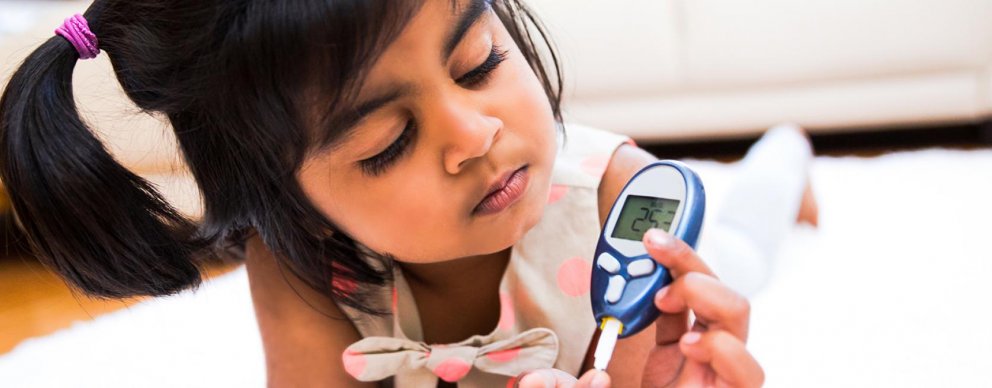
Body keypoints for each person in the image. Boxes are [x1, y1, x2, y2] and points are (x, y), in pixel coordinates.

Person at [0, 0, 813, 386]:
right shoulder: (301, 266)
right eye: (387, 142)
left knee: (747, 244)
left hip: (649, 236)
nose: (474, 133)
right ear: (289, 200)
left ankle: (785, 160)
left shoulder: (618, 200)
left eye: (481, 63)